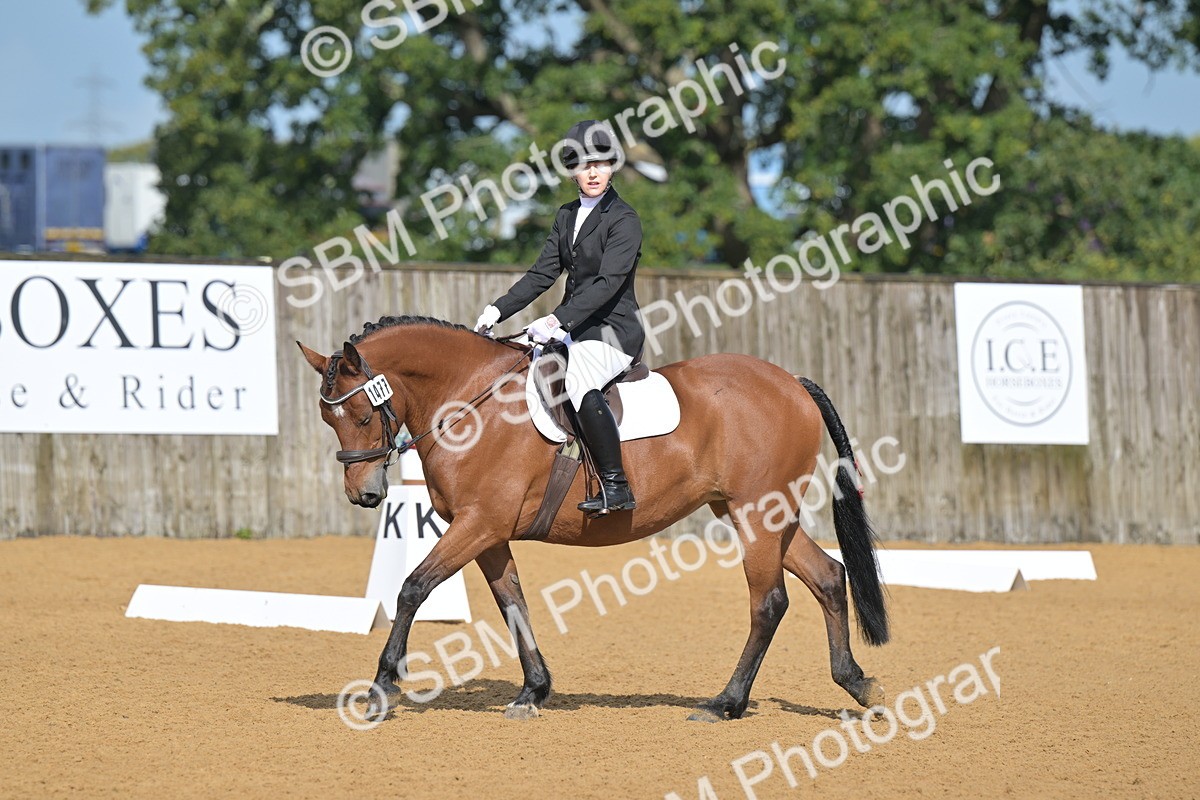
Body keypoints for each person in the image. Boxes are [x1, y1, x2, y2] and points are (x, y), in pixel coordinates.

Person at [474, 120, 644, 514]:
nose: (593, 172)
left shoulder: (624, 219)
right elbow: (542, 274)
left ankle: (617, 486)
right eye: (584, 165)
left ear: (612, 167)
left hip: (613, 331)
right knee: (514, 364)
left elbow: (607, 283)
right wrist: (498, 310)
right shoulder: (567, 215)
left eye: (601, 164)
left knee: (580, 380)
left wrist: (555, 321)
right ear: (572, 170)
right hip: (574, 330)